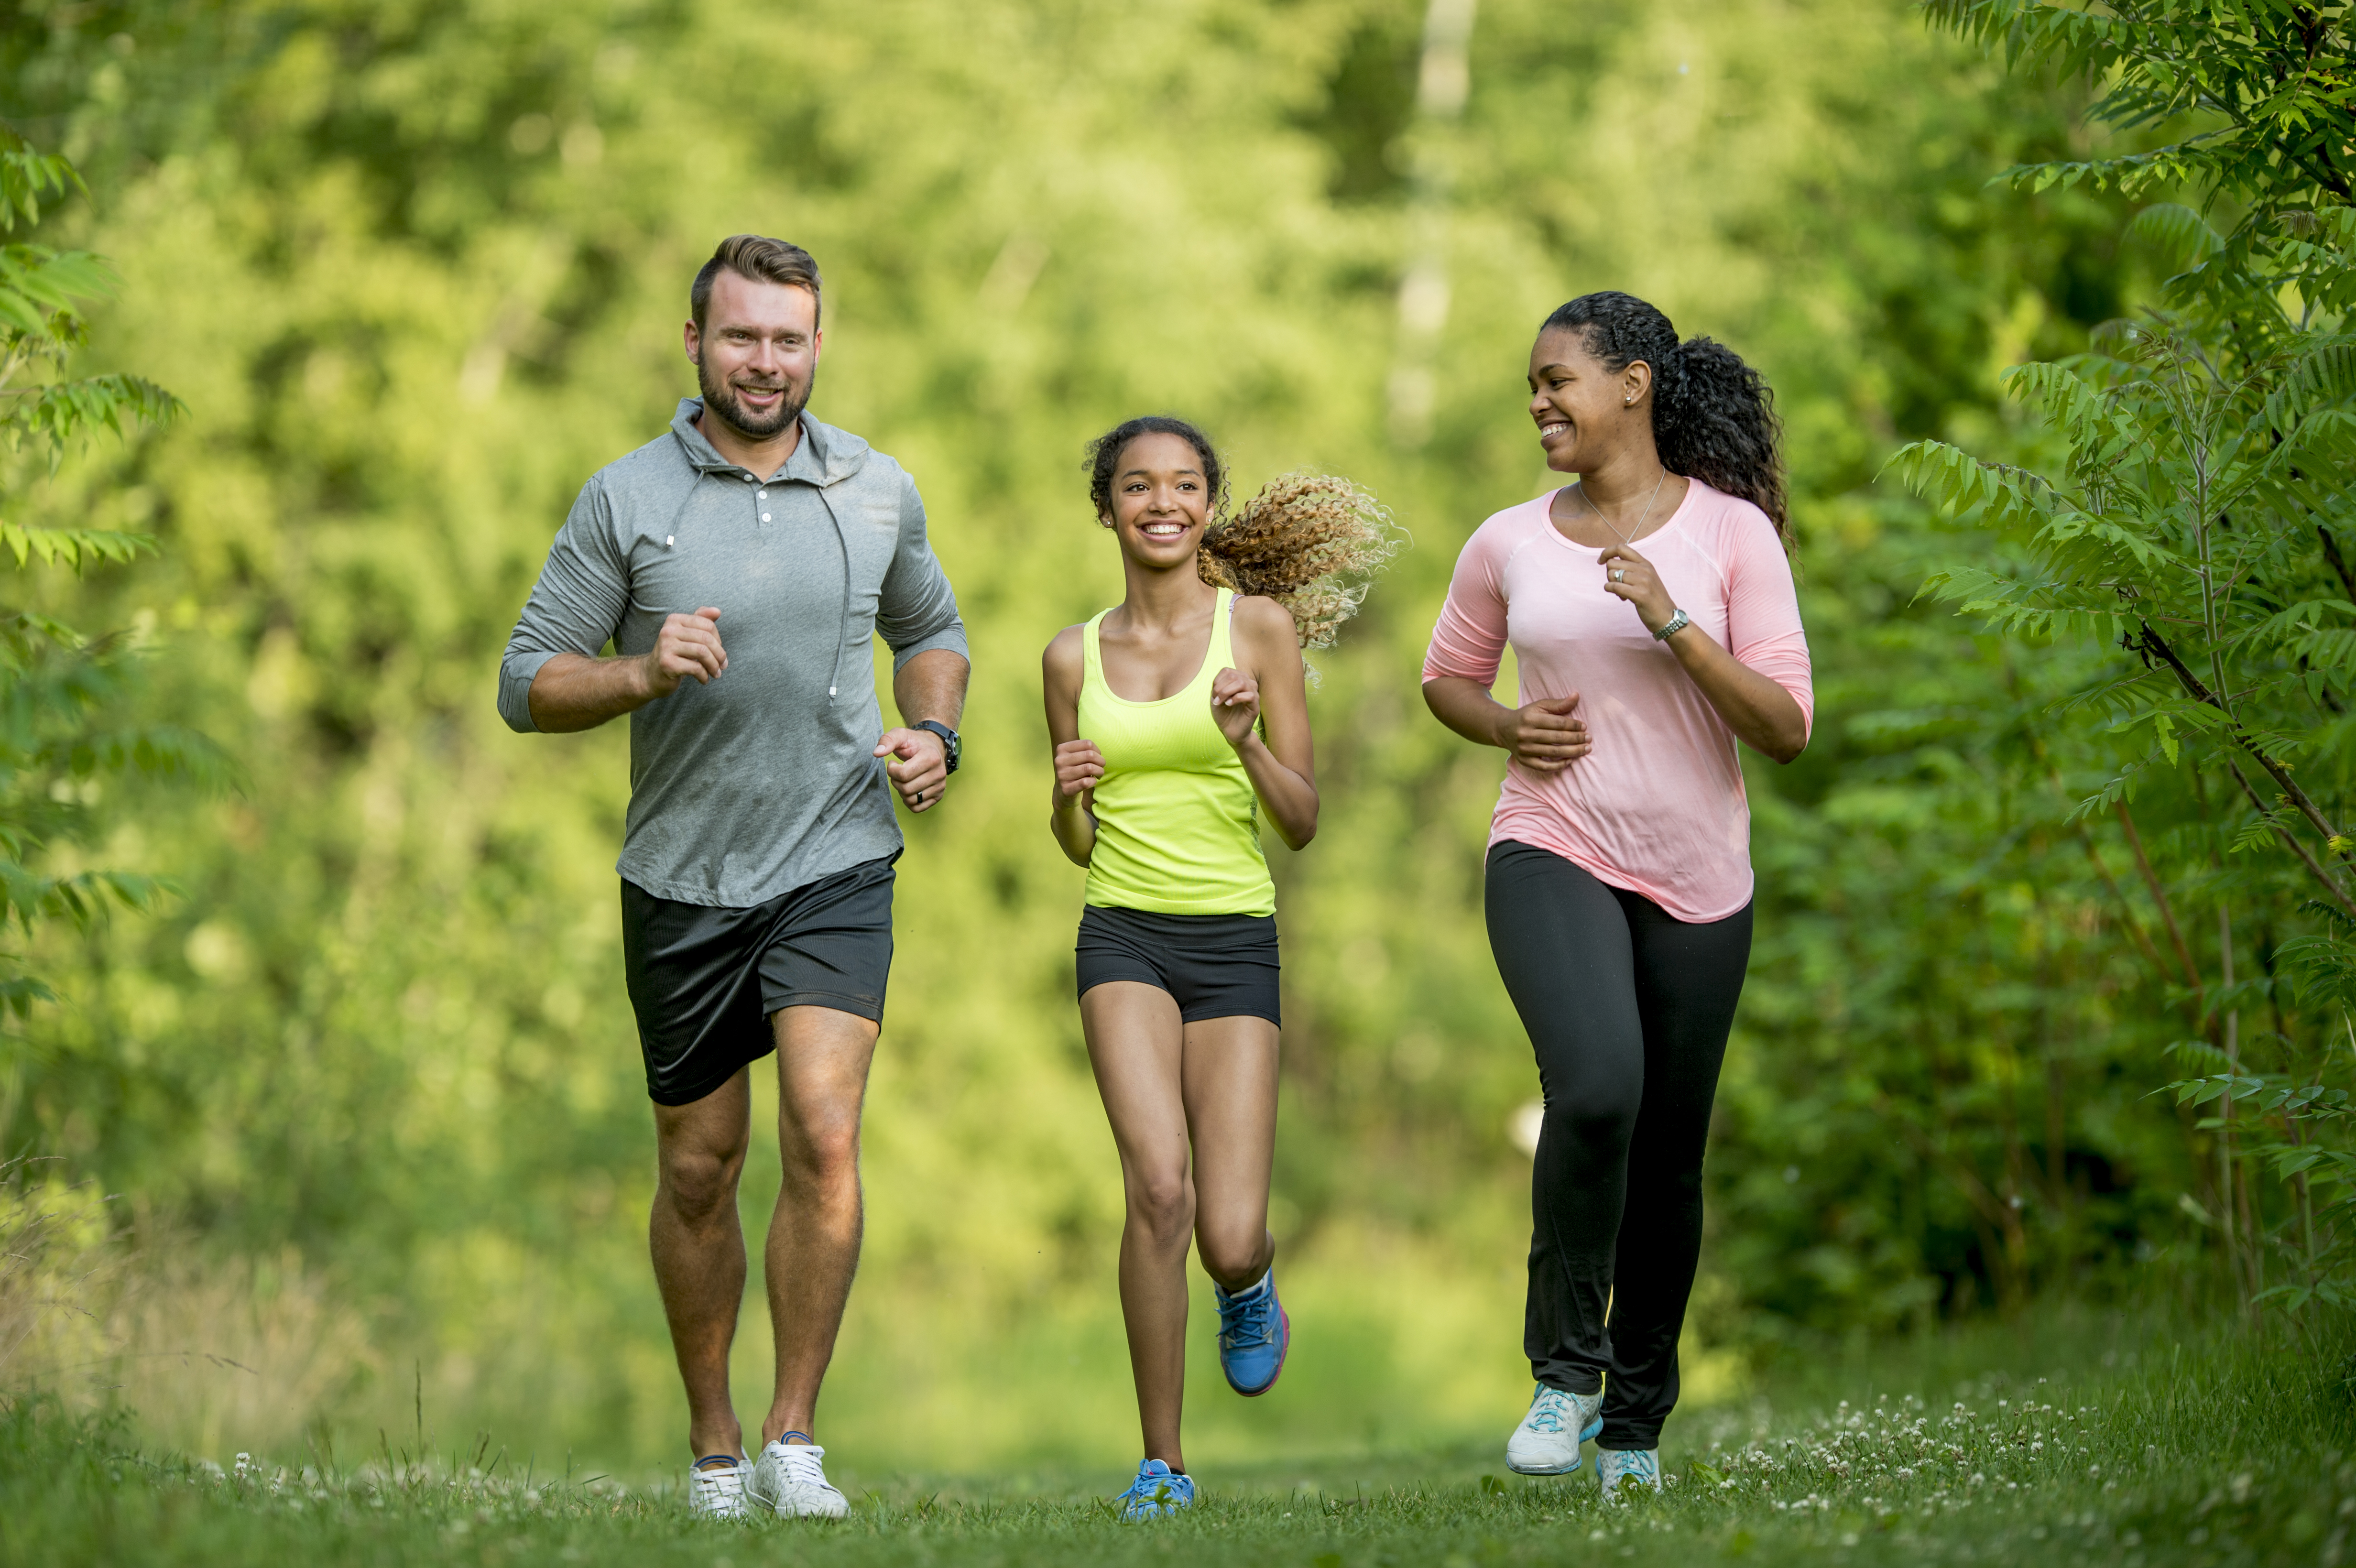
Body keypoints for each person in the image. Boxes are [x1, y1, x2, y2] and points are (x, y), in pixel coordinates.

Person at [496, 235, 969, 1521]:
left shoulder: (877, 488)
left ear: (819, 346)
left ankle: (793, 1438)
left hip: (837, 856)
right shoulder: (627, 497)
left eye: (790, 338)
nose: (767, 361)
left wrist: (936, 735)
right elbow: (525, 682)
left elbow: (930, 631)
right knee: (700, 1167)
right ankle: (714, 1452)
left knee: (825, 1129)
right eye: (743, 336)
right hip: (682, 877)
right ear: (695, 342)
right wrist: (642, 671)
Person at [1420, 292, 1811, 1501]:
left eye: (1557, 381)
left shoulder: (1733, 536)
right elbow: (1447, 681)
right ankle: (1563, 1368)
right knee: (1595, 1086)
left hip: (1700, 877)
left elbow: (1787, 726)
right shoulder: (1507, 539)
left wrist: (1674, 622)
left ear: (1633, 383)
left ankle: (1633, 1429)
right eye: (1531, 386)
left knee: (1671, 1156)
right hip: (1553, 841)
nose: (1538, 402)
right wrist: (1507, 723)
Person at [1041, 417, 1397, 1520]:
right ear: (1107, 506)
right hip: (1122, 936)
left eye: (1184, 485)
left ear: (1208, 503)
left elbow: (1301, 821)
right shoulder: (1069, 655)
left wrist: (1245, 741)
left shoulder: (1259, 630)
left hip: (1235, 937)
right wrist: (1066, 792)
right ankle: (1162, 1462)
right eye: (1138, 486)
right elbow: (1077, 842)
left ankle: (1247, 1282)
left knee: (1224, 1228)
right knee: (1156, 1184)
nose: (1162, 503)